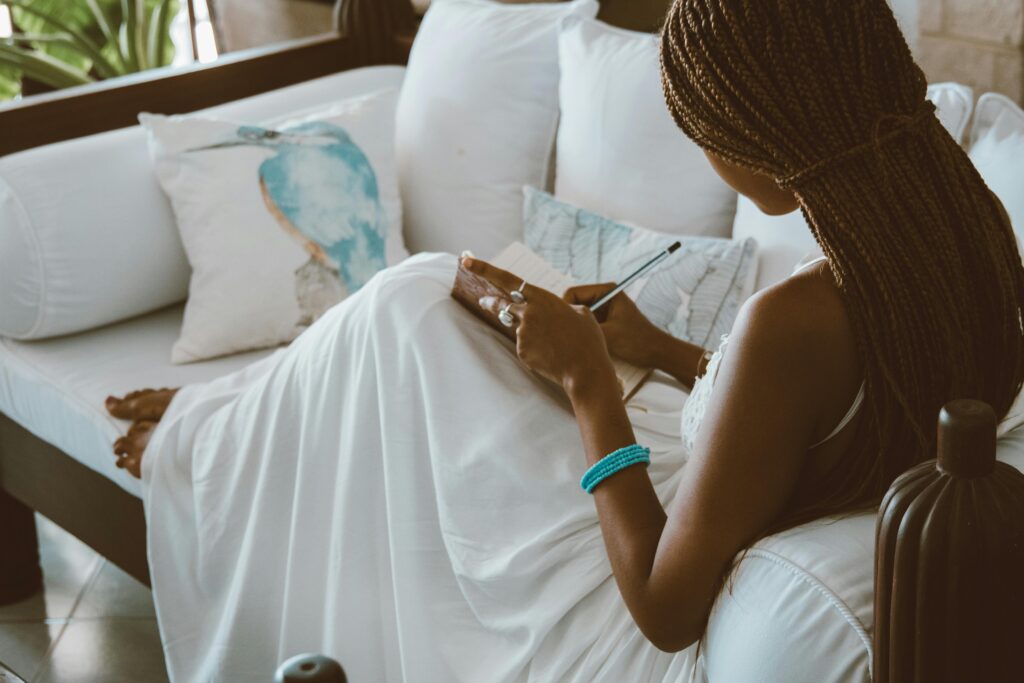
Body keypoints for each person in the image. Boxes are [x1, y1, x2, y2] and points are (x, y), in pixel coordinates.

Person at [106, 0, 1024, 673]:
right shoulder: (963, 227)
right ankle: (216, 422)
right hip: (708, 481)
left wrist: (591, 383)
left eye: (701, 127)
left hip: (648, 563)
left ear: (758, 129)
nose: (703, 152)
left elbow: (666, 611)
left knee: (409, 317)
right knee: (422, 307)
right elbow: (824, 413)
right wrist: (658, 348)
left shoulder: (792, 320)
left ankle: (203, 441)